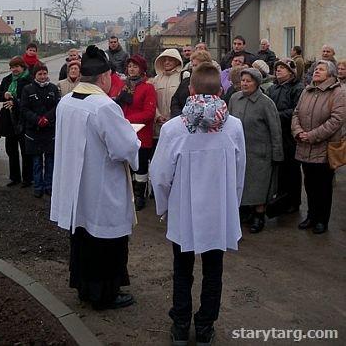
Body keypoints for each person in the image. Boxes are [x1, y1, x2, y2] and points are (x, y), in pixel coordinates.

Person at [150, 62, 246, 346]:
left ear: (190, 90)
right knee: (213, 271)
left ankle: (181, 325)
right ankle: (204, 326)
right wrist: (233, 204)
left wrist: (165, 208)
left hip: (184, 211)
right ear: (221, 90)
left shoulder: (173, 129)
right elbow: (240, 171)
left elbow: (160, 176)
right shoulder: (234, 126)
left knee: (182, 269)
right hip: (219, 211)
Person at [50, 46, 140, 310]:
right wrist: (133, 139)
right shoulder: (104, 106)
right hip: (101, 187)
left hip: (76, 189)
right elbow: (124, 148)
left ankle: (84, 288)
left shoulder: (66, 101)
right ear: (104, 77)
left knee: (82, 238)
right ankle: (104, 294)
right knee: (105, 241)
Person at [292, 60, 345, 234]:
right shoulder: (307, 90)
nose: (316, 71)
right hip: (304, 146)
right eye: (315, 69)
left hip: (323, 146)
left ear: (330, 74)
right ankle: (311, 216)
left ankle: (322, 219)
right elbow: (296, 113)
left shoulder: (338, 92)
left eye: (321, 69)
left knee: (323, 186)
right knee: (309, 184)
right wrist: (298, 132)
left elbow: (336, 120)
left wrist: (312, 136)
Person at [228, 68, 283, 233]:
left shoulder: (266, 103)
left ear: (257, 83)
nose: (244, 83)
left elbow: (275, 129)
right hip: (239, 151)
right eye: (243, 80)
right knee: (242, 184)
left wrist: (277, 154)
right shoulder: (234, 99)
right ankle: (246, 213)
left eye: (248, 80)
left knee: (259, 186)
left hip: (260, 153)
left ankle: (259, 216)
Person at [117, 54, 156, 210]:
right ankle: (130, 193)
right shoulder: (123, 86)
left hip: (141, 133)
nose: (131, 69)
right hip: (125, 133)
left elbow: (149, 112)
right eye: (130, 66)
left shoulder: (148, 88)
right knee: (128, 166)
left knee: (140, 167)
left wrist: (127, 119)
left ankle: (140, 196)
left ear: (141, 69)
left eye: (135, 66)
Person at [266, 59, 304, 213]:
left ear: (291, 72)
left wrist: (275, 116)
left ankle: (294, 202)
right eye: (277, 68)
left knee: (292, 170)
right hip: (275, 134)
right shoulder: (273, 88)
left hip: (289, 135)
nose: (278, 70)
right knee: (280, 170)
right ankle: (281, 200)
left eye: (282, 68)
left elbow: (297, 110)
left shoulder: (297, 88)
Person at [21, 63, 60, 198]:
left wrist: (47, 119)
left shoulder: (53, 88)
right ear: (35, 75)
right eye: (40, 74)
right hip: (34, 131)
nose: (43, 77)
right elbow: (24, 108)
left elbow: (57, 107)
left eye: (44, 73)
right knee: (37, 162)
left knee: (50, 161)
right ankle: (38, 187)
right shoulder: (27, 89)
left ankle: (49, 186)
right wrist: (37, 119)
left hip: (49, 130)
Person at [0, 56, 33, 187]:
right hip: (9, 119)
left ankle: (28, 178)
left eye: (17, 66)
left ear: (22, 67)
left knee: (25, 151)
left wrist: (15, 102)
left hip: (23, 120)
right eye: (12, 67)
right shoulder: (7, 79)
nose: (14, 69)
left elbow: (31, 100)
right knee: (11, 150)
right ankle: (14, 177)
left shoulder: (29, 80)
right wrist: (4, 95)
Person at [170, 50, 212, 118]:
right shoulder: (185, 82)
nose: (194, 68)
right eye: (193, 65)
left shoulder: (213, 82)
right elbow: (175, 101)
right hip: (182, 120)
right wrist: (179, 116)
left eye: (196, 65)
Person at [153, 48, 183, 137]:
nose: (167, 62)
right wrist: (157, 116)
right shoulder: (156, 79)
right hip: (160, 125)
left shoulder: (184, 76)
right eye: (165, 60)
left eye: (170, 60)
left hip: (177, 123)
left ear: (177, 61)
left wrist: (174, 117)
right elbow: (152, 101)